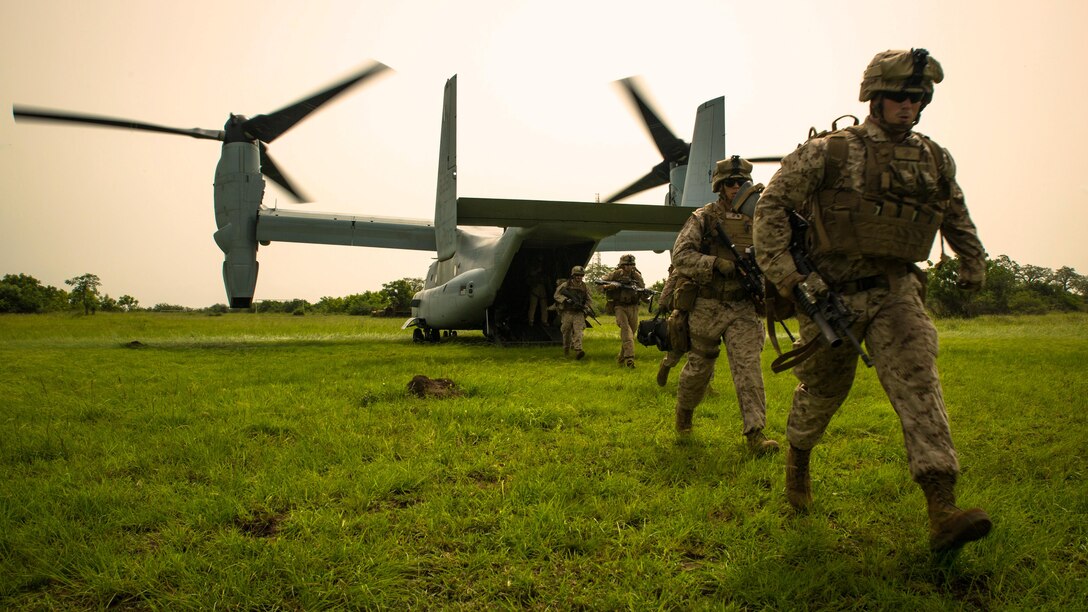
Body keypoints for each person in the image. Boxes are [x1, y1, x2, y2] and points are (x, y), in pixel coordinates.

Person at [752, 49, 991, 554]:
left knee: (920, 383)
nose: (910, 106)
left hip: (897, 292)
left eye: (918, 98)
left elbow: (955, 212)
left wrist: (973, 260)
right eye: (900, 97)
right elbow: (771, 208)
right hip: (829, 294)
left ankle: (941, 505)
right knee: (822, 392)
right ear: (875, 98)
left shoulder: (933, 157)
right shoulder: (830, 152)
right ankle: (798, 456)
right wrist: (792, 279)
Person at [670, 156, 779, 456]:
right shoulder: (704, 218)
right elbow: (680, 256)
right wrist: (715, 263)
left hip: (743, 306)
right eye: (730, 183)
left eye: (741, 182)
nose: (736, 187)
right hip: (708, 304)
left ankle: (755, 434)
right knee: (698, 370)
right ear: (720, 186)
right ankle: (685, 413)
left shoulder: (759, 219)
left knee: (748, 369)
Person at [601, 254, 646, 368]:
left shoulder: (636, 276)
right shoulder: (615, 274)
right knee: (626, 331)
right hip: (619, 307)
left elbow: (643, 289)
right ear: (621, 265)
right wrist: (609, 286)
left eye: (631, 264)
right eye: (627, 264)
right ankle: (629, 358)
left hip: (633, 307)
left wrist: (645, 295)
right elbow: (600, 283)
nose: (629, 267)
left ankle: (621, 357)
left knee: (632, 332)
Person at [554, 266, 589, 359]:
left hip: (578, 313)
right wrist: (565, 300)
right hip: (567, 312)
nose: (579, 277)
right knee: (566, 331)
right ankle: (566, 350)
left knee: (578, 331)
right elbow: (557, 295)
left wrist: (586, 307)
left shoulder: (584, 286)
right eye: (577, 275)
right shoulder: (566, 285)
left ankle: (578, 350)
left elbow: (589, 299)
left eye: (581, 275)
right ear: (573, 275)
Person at [526, 260, 550, 326]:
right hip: (535, 287)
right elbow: (530, 274)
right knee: (533, 306)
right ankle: (531, 320)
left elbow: (547, 279)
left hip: (542, 288)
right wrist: (537, 270)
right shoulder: (533, 268)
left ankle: (544, 320)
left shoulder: (544, 270)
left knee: (544, 306)